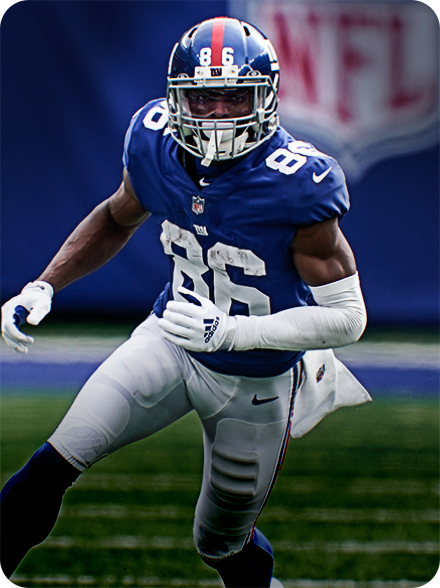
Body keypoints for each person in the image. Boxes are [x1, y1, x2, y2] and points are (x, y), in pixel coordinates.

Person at [0, 17, 368, 588]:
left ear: (266, 99)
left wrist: (233, 333)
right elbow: (117, 216)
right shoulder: (153, 143)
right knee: (49, 467)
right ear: (176, 100)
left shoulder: (297, 182)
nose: (218, 114)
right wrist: (44, 284)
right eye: (202, 98)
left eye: (234, 98)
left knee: (220, 543)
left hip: (255, 379)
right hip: (170, 340)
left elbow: (348, 318)